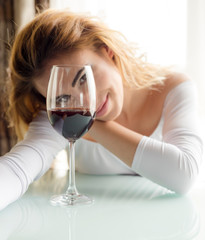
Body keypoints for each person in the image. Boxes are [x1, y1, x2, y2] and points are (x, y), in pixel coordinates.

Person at [0, 9, 203, 210]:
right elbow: (18, 169)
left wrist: (89, 122)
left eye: (83, 78)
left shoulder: (173, 88)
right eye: (63, 98)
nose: (88, 100)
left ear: (107, 51)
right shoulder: (56, 115)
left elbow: (184, 174)